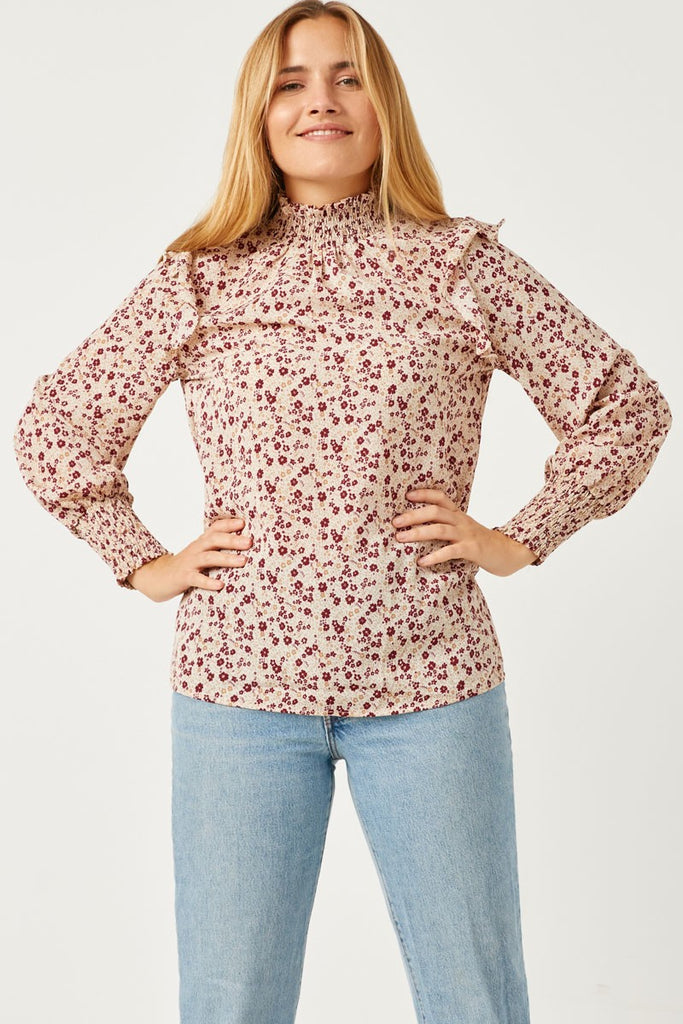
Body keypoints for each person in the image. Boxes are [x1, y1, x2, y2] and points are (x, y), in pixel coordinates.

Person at [13, 2, 672, 1022]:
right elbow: (58, 428)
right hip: (238, 694)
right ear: (259, 113)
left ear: (383, 103)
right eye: (291, 81)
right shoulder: (200, 277)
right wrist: (142, 561)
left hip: (431, 685)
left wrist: (520, 538)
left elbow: (622, 406)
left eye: (347, 75)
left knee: (473, 999)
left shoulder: (458, 264)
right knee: (230, 1003)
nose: (320, 99)